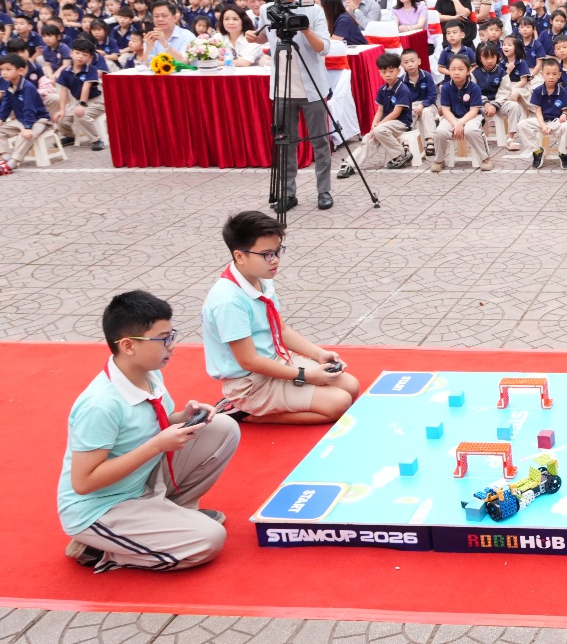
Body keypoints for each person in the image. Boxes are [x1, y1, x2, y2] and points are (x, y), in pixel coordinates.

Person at [59, 291, 239, 572]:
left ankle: (172, 515)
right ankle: (99, 549)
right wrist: (157, 445)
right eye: (163, 338)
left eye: (172, 335)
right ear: (129, 345)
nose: (173, 345)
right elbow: (83, 482)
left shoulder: (149, 373)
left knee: (223, 428)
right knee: (210, 541)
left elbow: (157, 420)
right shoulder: (100, 405)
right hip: (101, 509)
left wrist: (183, 417)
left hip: (139, 482)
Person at [202, 211, 361, 424]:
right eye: (267, 254)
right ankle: (246, 414)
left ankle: (267, 404)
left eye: (278, 251)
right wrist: (305, 375)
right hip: (249, 383)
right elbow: (248, 361)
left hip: (277, 362)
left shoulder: (260, 278)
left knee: (351, 386)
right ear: (240, 256)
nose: (275, 260)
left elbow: (281, 330)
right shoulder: (228, 301)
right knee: (339, 403)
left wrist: (319, 354)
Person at [246, 0, 336, 211]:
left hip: (313, 86)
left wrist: (305, 29)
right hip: (282, 87)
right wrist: (254, 36)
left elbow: (324, 48)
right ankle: (287, 194)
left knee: (319, 140)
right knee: (286, 142)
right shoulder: (266, 10)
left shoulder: (313, 11)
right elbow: (266, 35)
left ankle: (324, 191)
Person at [338, 52, 414, 176]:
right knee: (369, 139)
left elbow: (396, 113)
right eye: (384, 72)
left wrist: (378, 127)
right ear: (379, 72)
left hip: (401, 123)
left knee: (378, 131)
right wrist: (374, 124)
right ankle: (349, 164)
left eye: (391, 71)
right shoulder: (382, 89)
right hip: (385, 125)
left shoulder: (403, 89)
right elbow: (380, 110)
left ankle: (401, 154)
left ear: (398, 71)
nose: (388, 75)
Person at [0, 52, 51, 175]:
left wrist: (28, 127)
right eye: (1, 70)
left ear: (20, 70)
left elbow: (30, 109)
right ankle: (6, 158)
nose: (4, 73)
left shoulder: (28, 87)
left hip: (39, 120)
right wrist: (1, 118)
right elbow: (6, 105)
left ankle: (14, 162)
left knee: (27, 135)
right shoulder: (8, 85)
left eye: (8, 69)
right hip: (21, 120)